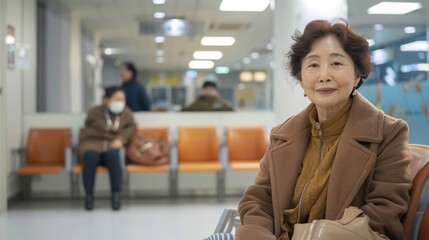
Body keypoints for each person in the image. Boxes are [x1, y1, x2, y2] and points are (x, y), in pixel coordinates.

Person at [235, 20, 411, 240]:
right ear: (301, 79)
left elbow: (383, 213)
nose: (324, 75)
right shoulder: (283, 135)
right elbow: (258, 199)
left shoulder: (388, 133)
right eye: (313, 65)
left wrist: (307, 235)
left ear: (357, 76)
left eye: (336, 64)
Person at [78, 86, 137, 211]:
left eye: (122, 99)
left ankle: (116, 195)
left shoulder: (126, 113)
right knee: (89, 157)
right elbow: (89, 129)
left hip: (112, 145)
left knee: (114, 156)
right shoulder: (95, 112)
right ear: (107, 99)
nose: (120, 102)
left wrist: (120, 139)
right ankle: (89, 195)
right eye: (116, 99)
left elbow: (131, 127)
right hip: (93, 143)